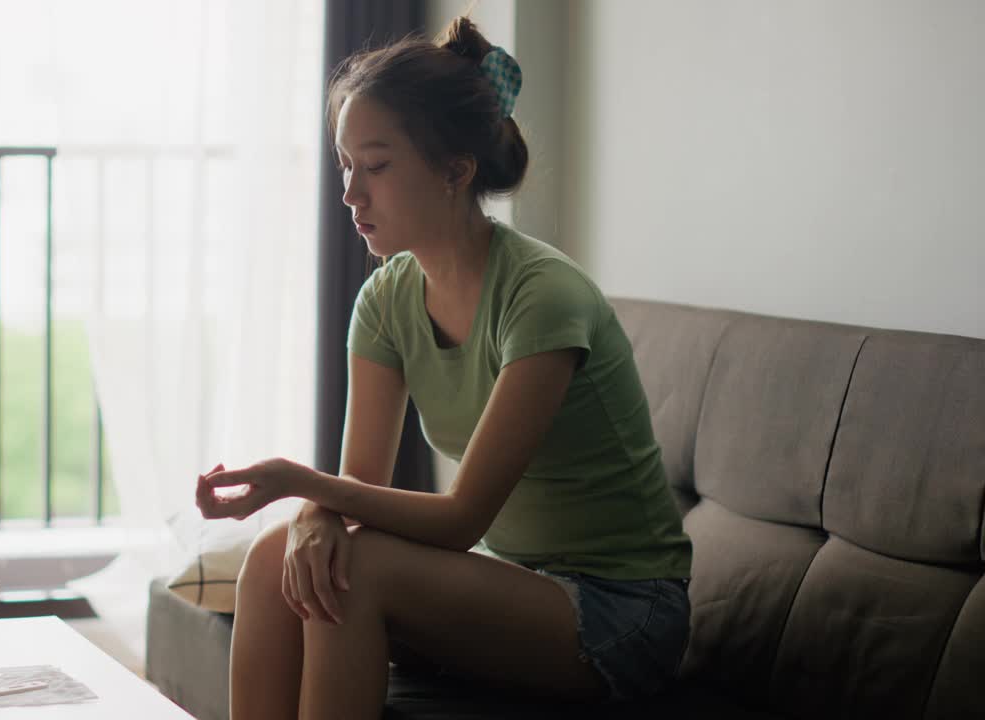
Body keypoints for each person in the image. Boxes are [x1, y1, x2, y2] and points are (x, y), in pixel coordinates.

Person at [194, 16, 693, 720]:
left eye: (377, 165)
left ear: (456, 171)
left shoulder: (542, 297)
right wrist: (311, 512)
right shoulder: (387, 299)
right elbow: (358, 482)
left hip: (623, 610)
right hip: (511, 582)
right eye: (345, 164)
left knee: (353, 572)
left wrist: (298, 482)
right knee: (277, 557)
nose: (350, 193)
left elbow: (461, 519)